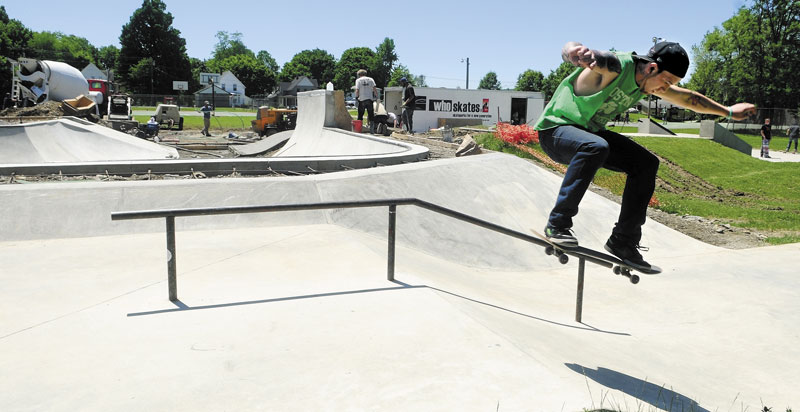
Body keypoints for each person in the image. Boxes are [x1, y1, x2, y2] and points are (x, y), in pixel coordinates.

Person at [533, 40, 756, 270]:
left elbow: (689, 99)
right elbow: (595, 56)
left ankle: (623, 240)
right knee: (596, 146)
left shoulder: (651, 81)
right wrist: (573, 51)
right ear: (651, 68)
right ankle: (557, 225)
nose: (664, 90)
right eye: (666, 82)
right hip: (555, 131)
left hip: (589, 135)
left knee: (645, 164)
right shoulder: (616, 67)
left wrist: (728, 112)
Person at [355, 69, 378, 134]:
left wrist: (356, 98)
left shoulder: (358, 80)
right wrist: (377, 97)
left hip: (362, 99)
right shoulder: (371, 79)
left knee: (360, 115)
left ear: (359, 75)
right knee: (371, 115)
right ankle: (372, 130)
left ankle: (359, 129)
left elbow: (357, 90)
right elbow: (374, 89)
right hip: (369, 99)